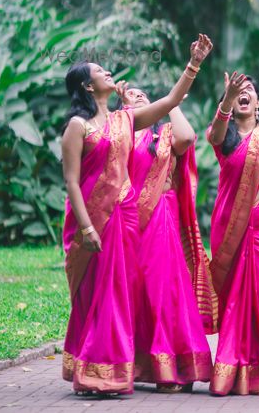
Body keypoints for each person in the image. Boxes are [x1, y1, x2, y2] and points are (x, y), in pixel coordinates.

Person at [60, 34, 213, 395]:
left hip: (127, 216)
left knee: (119, 292)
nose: (108, 72)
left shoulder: (125, 120)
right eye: (100, 71)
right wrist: (86, 227)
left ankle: (111, 371)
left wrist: (194, 63)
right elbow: (70, 181)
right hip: (95, 219)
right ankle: (97, 370)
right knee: (98, 293)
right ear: (87, 85)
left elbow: (172, 102)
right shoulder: (77, 127)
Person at [120, 87, 213, 392]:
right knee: (132, 292)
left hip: (161, 216)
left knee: (163, 290)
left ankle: (172, 369)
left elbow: (187, 139)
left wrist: (172, 105)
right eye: (131, 94)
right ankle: (131, 366)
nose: (138, 96)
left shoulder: (165, 136)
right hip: (128, 220)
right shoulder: (120, 135)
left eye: (143, 94)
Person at [207, 61, 259, 395]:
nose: (244, 97)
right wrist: (226, 99)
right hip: (230, 226)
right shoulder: (222, 138)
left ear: (258, 104)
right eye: (239, 93)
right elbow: (214, 133)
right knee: (232, 299)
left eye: (249, 94)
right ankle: (230, 369)